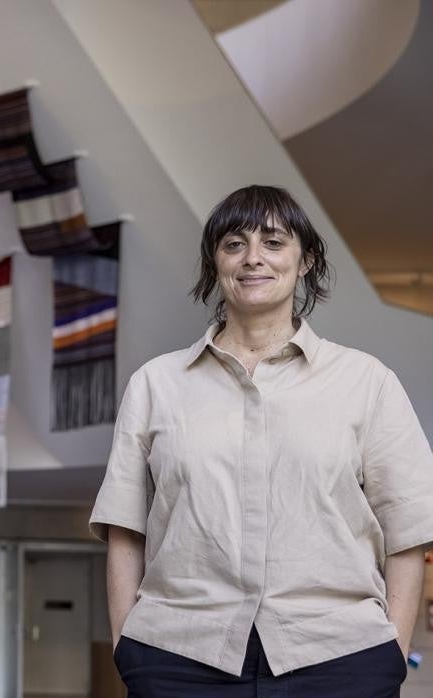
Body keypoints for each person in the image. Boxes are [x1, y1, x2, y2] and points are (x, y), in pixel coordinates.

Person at [91, 185, 433, 697]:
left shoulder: (367, 382)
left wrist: (391, 652)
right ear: (215, 261)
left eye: (273, 242)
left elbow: (409, 526)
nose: (253, 258)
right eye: (234, 244)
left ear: (306, 260)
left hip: (338, 657)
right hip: (179, 656)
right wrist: (127, 645)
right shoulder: (155, 384)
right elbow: (125, 527)